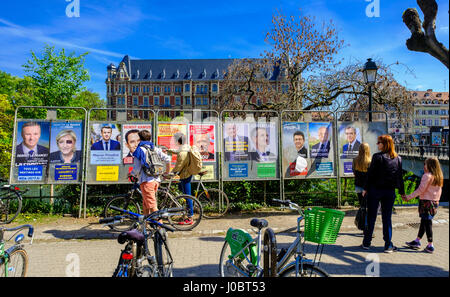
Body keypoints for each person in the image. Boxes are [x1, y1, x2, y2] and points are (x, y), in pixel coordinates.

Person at [361, 135, 405, 253]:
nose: (377, 144)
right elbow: (399, 177)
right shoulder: (398, 159)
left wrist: (365, 188)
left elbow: (370, 174)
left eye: (379, 142)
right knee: (387, 218)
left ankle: (366, 242)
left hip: (375, 191)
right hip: (389, 192)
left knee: (371, 217)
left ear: (385, 144)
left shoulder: (377, 157)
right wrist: (402, 193)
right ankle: (388, 245)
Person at [403, 157, 443, 253]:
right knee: (424, 222)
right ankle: (417, 241)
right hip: (434, 202)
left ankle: (430, 245)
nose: (424, 166)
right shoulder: (438, 176)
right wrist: (437, 200)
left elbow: (420, 190)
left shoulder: (427, 176)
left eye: (425, 164)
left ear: (430, 165)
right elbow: (439, 191)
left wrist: (409, 197)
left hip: (426, 202)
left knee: (427, 223)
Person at [129, 130, 171, 215]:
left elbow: (137, 168)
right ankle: (146, 223)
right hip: (156, 180)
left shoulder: (139, 150)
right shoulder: (155, 148)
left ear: (140, 139)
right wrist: (167, 173)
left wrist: (131, 174)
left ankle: (160, 226)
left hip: (146, 181)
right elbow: (168, 159)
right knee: (146, 203)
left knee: (152, 206)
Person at [170, 133, 195, 225]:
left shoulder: (182, 152)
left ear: (178, 141)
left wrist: (171, 173)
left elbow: (179, 165)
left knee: (187, 195)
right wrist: (168, 150)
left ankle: (190, 217)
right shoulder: (185, 147)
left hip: (185, 175)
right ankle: (188, 209)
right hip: (185, 174)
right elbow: (177, 151)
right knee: (182, 191)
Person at [352, 142, 371, 207]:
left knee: (362, 204)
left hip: (358, 184)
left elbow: (354, 172)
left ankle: (362, 215)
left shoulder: (355, 160)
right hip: (368, 186)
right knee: (369, 204)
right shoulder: (370, 161)